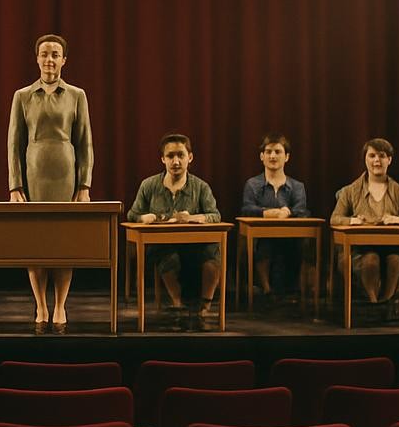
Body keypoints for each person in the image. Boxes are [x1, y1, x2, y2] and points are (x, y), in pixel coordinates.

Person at [7, 33, 94, 333]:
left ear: (64, 60)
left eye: (55, 54)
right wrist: (15, 186)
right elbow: (13, 144)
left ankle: (60, 305)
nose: (49, 59)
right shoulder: (22, 96)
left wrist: (84, 185)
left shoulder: (77, 95)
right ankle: (40, 304)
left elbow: (85, 143)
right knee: (35, 244)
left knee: (63, 244)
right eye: (45, 54)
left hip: (66, 175)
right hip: (33, 175)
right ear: (37, 58)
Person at [127, 133, 222, 330]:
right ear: (163, 159)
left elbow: (215, 215)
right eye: (170, 156)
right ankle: (179, 304)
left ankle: (204, 307)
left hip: (195, 244)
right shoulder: (149, 185)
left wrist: (194, 218)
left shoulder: (201, 187)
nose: (176, 161)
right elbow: (132, 214)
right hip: (163, 244)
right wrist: (143, 218)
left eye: (181, 155)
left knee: (213, 253)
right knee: (166, 256)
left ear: (190, 157)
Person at [330, 138, 399, 310]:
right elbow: (335, 218)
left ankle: (385, 303)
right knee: (371, 260)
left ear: (390, 160)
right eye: (372, 156)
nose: (377, 161)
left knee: (395, 260)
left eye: (382, 156)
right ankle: (373, 304)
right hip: (360, 248)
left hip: (391, 246)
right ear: (365, 159)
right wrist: (353, 220)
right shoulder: (350, 190)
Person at [238, 133, 309, 305]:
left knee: (304, 245)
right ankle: (267, 291)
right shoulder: (252, 184)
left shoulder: (297, 186)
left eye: (278, 152)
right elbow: (247, 208)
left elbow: (301, 210)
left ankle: (297, 292)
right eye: (268, 151)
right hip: (262, 235)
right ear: (261, 156)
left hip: (291, 236)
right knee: (264, 245)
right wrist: (269, 213)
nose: (272, 156)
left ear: (287, 157)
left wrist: (287, 213)